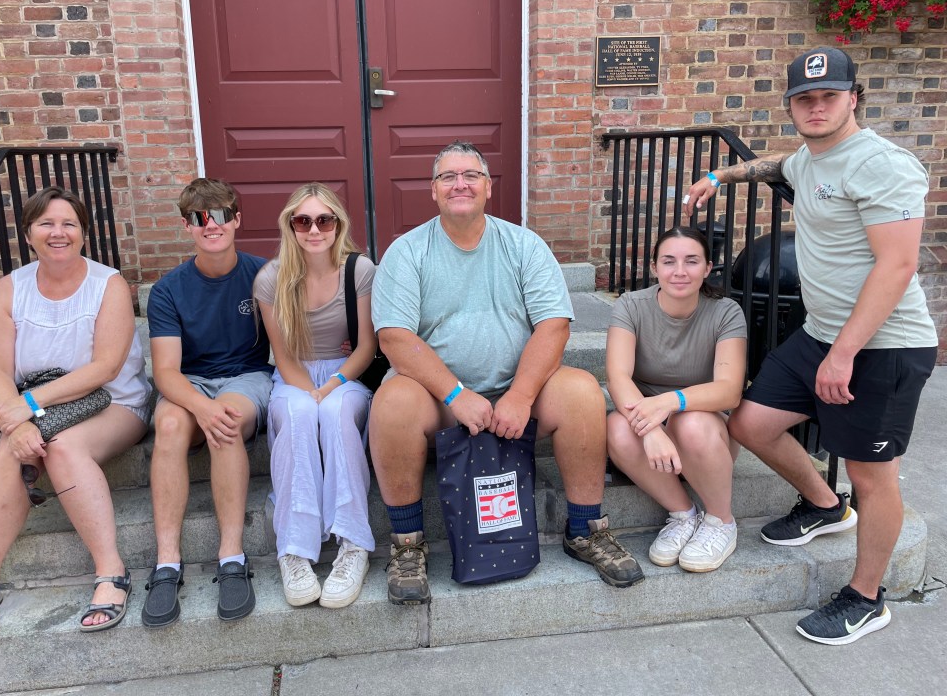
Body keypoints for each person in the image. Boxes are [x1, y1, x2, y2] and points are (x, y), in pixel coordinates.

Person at [684, 46, 938, 644]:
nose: (816, 107)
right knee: (750, 423)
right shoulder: (811, 158)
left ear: (855, 99)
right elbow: (781, 165)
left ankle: (867, 596)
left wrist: (844, 354)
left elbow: (898, 266)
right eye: (805, 98)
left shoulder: (884, 165)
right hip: (821, 334)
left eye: (829, 96)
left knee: (873, 475)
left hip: (883, 346)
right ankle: (825, 506)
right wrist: (722, 175)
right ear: (794, 105)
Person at [370, 140, 643, 605]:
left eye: (471, 175)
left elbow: (554, 326)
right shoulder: (408, 251)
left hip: (519, 395)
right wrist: (456, 394)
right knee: (392, 400)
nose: (460, 184)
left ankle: (586, 529)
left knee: (580, 390)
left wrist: (519, 395)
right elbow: (395, 339)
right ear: (433, 191)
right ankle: (408, 546)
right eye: (448, 177)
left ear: (488, 187)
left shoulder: (523, 245)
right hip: (440, 401)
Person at [0, 187, 152, 641]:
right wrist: (19, 420)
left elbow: (105, 367)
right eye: (46, 223)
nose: (58, 233)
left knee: (60, 448)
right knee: (12, 448)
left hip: (113, 403)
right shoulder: (9, 290)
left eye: (69, 224)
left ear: (83, 233)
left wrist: (25, 406)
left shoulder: (109, 285)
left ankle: (110, 571)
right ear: (29, 233)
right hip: (37, 410)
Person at [142, 177, 272, 627]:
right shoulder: (169, 289)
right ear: (187, 225)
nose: (210, 225)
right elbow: (165, 372)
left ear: (236, 220)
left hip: (247, 376)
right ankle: (166, 564)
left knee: (229, 419)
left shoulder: (262, 274)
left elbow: (291, 342)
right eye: (199, 218)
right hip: (189, 380)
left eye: (219, 216)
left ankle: (231, 555)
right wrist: (200, 405)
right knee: (172, 426)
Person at [254, 184, 377, 609]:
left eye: (324, 220)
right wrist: (309, 391)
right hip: (293, 376)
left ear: (338, 224)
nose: (313, 230)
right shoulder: (271, 279)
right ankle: (294, 550)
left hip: (345, 376)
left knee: (339, 411)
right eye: (303, 220)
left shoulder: (358, 270)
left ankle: (353, 544)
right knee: (300, 411)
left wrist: (329, 388)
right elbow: (284, 357)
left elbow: (365, 348)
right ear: (291, 225)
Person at [605, 226, 747, 573]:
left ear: (708, 267)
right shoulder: (631, 306)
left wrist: (668, 403)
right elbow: (618, 377)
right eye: (669, 261)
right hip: (649, 437)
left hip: (705, 436)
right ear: (654, 267)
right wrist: (651, 430)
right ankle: (683, 514)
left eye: (691, 261)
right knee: (616, 426)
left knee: (690, 421)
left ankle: (720, 521)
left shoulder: (726, 312)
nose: (679, 271)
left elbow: (729, 390)